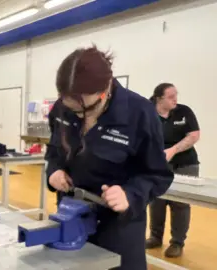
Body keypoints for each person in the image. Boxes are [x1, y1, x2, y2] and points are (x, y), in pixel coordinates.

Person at [45, 46, 173, 270]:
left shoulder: (139, 113)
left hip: (118, 228)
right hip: (70, 219)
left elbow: (158, 174)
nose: (79, 117)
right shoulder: (61, 109)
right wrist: (53, 171)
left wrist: (130, 195)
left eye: (85, 109)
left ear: (105, 90)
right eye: (72, 110)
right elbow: (55, 150)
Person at [146, 83, 200, 258]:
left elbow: (194, 135)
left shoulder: (184, 111)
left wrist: (173, 150)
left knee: (180, 204)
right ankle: (155, 237)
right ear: (159, 98)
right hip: (158, 164)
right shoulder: (147, 112)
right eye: (170, 96)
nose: (175, 99)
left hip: (185, 163)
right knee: (157, 201)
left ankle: (177, 242)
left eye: (176, 95)